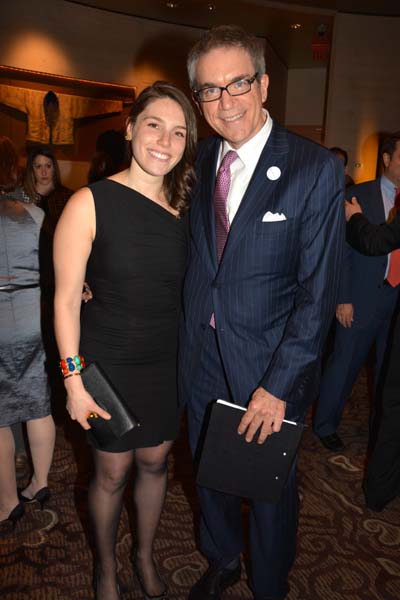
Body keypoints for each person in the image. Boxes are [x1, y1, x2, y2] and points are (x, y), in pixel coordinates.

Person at [179, 25, 344, 600]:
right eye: (209, 90)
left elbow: (318, 293)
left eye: (238, 83)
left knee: (267, 488)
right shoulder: (196, 161)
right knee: (209, 474)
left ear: (264, 84)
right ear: (196, 100)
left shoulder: (313, 168)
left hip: (268, 366)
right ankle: (222, 558)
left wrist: (278, 385)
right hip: (200, 356)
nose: (226, 102)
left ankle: (270, 583)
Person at [53, 82, 197, 600]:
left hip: (165, 360)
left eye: (179, 131)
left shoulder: (190, 208)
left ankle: (144, 554)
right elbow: (67, 300)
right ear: (131, 128)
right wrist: (73, 381)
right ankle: (107, 567)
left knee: (157, 462)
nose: (165, 140)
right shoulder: (89, 203)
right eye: (154, 124)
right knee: (111, 473)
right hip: (108, 360)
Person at [314, 134, 400, 452]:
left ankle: (381, 427)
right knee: (344, 365)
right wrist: (343, 297)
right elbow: (341, 252)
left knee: (388, 372)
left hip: (395, 301)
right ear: (387, 160)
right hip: (360, 298)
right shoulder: (357, 196)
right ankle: (325, 424)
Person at [0, 136, 55, 528]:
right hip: (33, 319)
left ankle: (6, 502)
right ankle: (40, 482)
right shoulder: (35, 215)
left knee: (0, 418)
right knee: (39, 403)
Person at [345, 132, 400, 511]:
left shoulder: (358, 205)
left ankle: (379, 490)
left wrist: (356, 219)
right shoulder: (362, 190)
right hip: (368, 297)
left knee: (393, 405)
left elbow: (378, 240)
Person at [24, 144, 73, 232]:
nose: (44, 172)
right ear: (31, 169)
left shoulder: (68, 196)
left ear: (54, 168)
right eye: (38, 167)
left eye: (48, 166)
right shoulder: (23, 196)